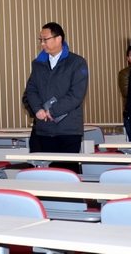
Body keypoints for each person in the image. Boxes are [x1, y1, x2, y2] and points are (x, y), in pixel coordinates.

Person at [25, 22, 89, 169]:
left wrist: (53, 111)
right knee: (49, 173)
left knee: (67, 171)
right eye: (40, 40)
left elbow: (77, 94)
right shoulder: (38, 63)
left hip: (68, 128)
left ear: (58, 39)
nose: (42, 43)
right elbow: (31, 89)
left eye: (45, 39)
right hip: (44, 128)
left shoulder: (77, 62)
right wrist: (37, 109)